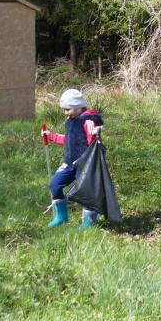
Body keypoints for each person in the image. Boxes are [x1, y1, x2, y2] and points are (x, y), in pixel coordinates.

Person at [41, 89, 103, 229]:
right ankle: (61, 217)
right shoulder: (71, 121)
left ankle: (89, 221)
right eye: (64, 109)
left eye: (68, 109)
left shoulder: (87, 120)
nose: (65, 113)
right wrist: (50, 135)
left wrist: (95, 132)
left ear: (78, 106)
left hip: (85, 164)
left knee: (86, 191)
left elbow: (92, 142)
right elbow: (68, 140)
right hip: (69, 164)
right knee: (55, 184)